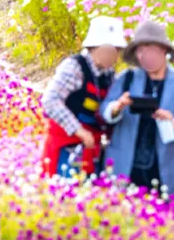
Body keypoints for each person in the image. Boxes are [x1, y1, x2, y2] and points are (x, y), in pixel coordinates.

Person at [99, 20, 174, 197]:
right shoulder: (127, 78)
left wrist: (173, 122)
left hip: (163, 163)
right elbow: (105, 109)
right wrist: (118, 106)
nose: (147, 56)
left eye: (152, 50)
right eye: (141, 51)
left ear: (164, 51)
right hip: (128, 160)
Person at [41, 16, 126, 179]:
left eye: (117, 50)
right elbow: (50, 100)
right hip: (66, 142)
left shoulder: (108, 74)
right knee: (65, 193)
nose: (115, 55)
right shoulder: (74, 67)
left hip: (91, 146)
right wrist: (78, 130)